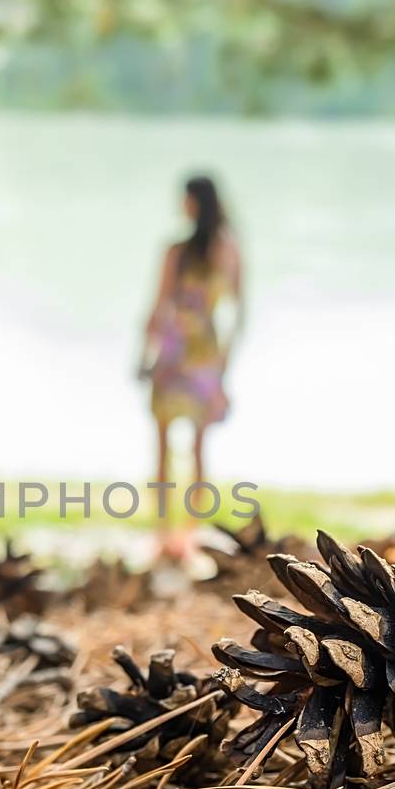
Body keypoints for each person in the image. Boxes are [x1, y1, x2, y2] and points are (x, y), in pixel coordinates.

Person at [139, 174, 243, 545]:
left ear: (196, 203)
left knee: (176, 446)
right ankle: (174, 534)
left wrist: (146, 353)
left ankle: (179, 535)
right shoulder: (216, 249)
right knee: (183, 445)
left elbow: (159, 306)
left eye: (185, 199)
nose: (181, 205)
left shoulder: (197, 250)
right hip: (193, 355)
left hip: (187, 354)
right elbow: (236, 313)